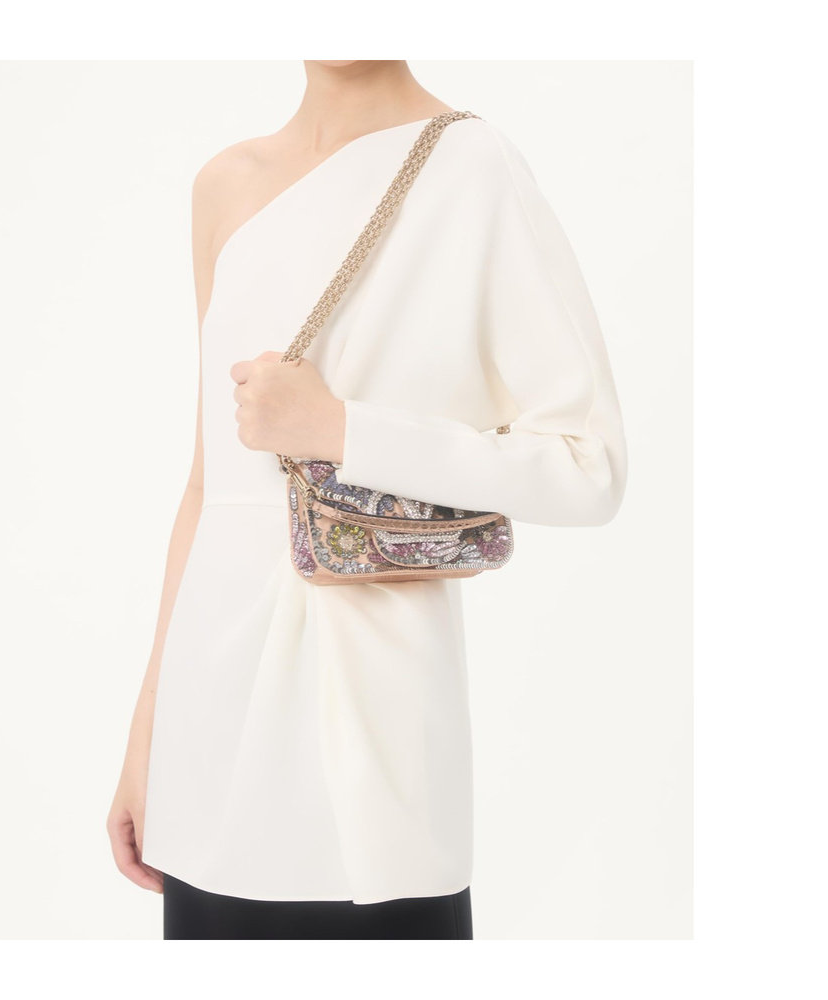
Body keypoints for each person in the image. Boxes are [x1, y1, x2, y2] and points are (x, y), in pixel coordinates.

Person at [106, 60, 628, 940]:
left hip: (373, 736)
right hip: (209, 731)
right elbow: (207, 484)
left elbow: (591, 466)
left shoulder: (474, 167)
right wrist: (146, 732)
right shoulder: (224, 185)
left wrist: (342, 430)